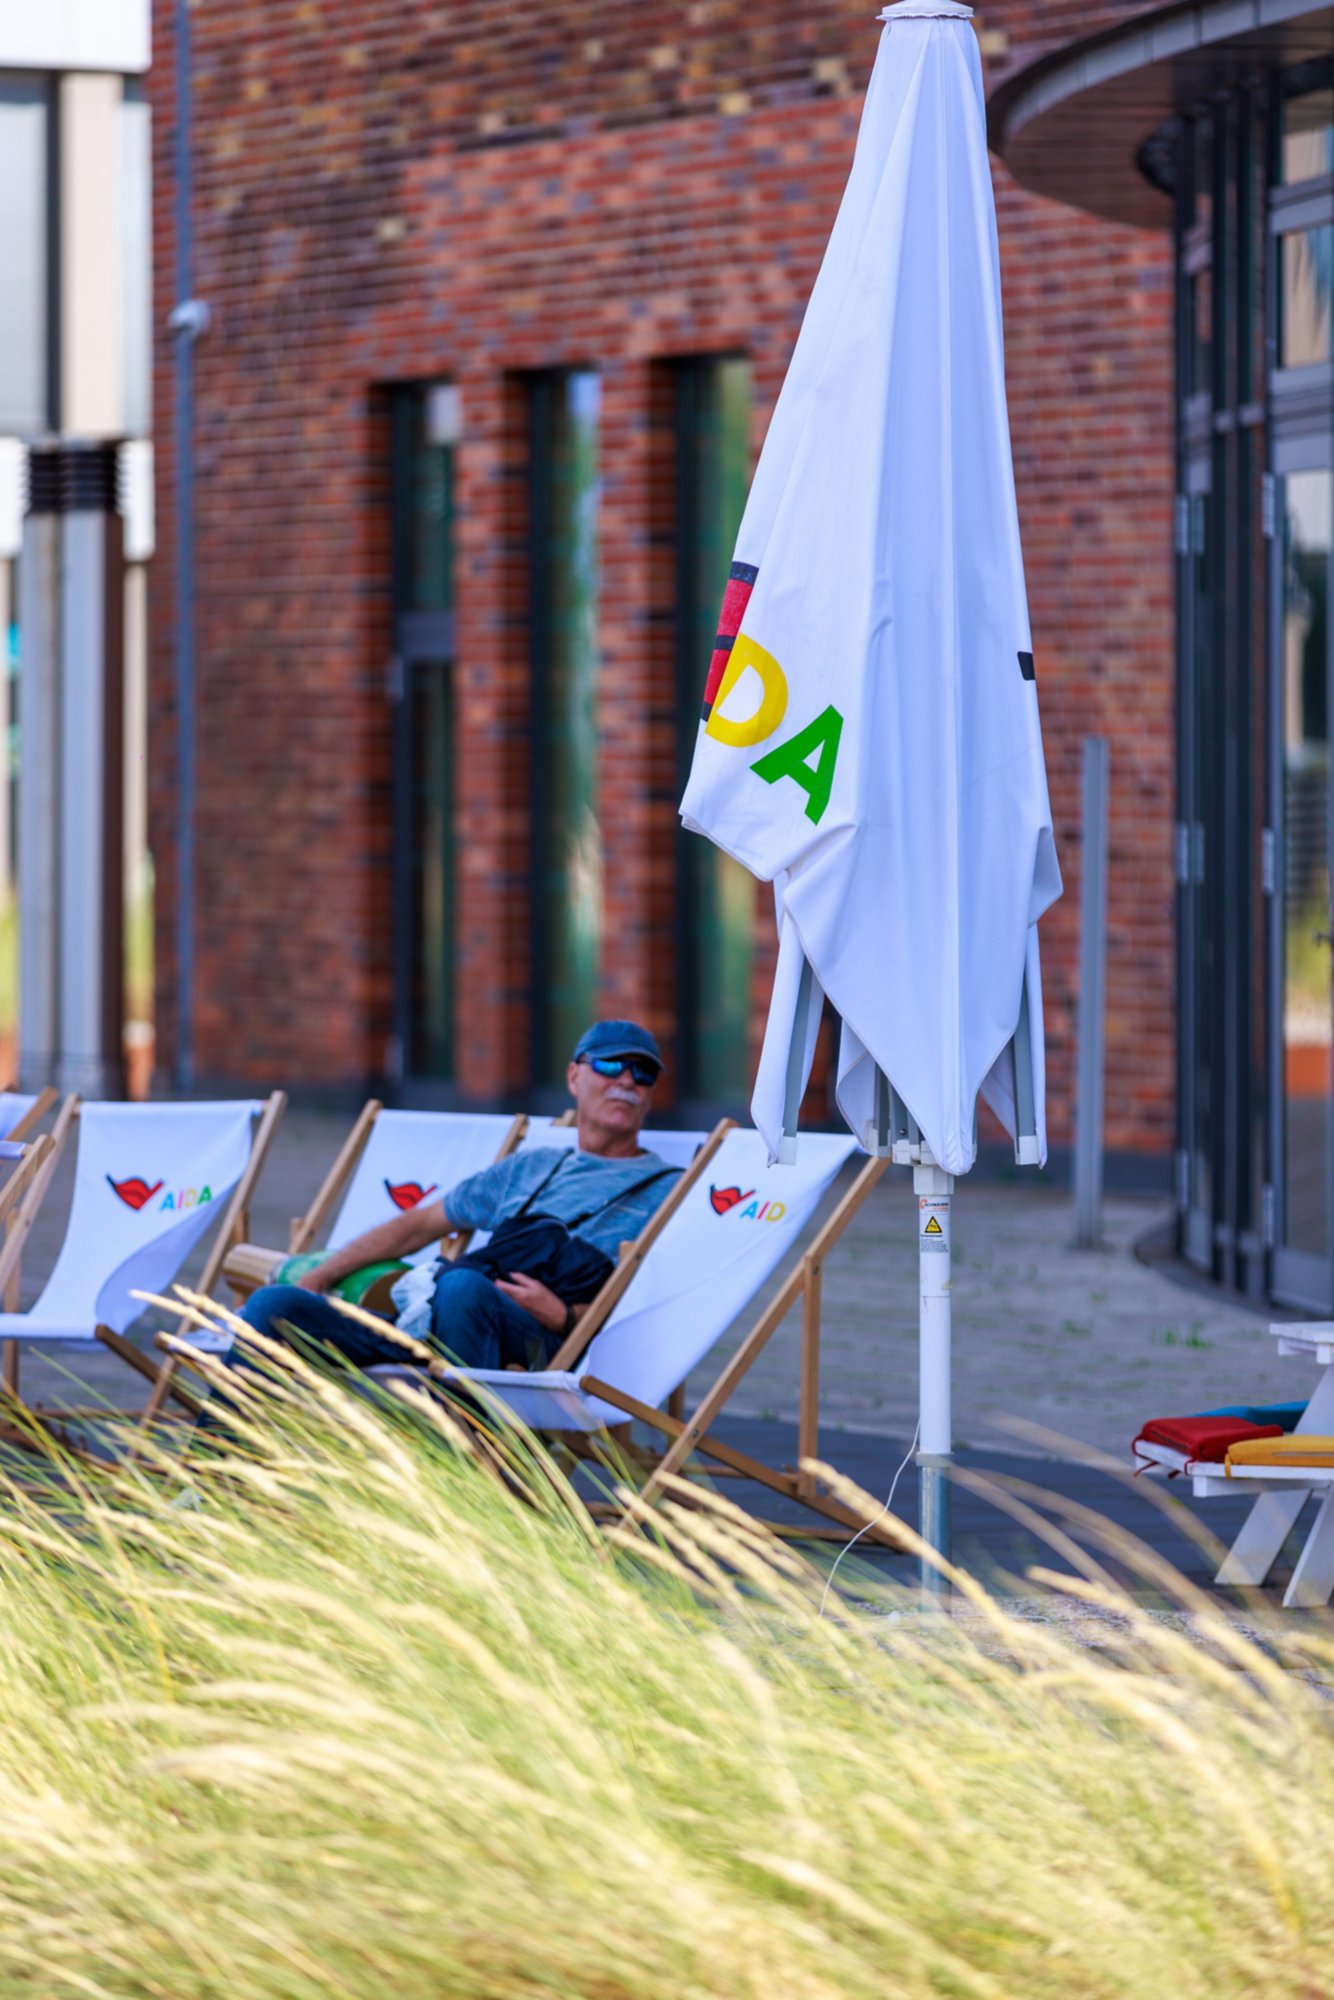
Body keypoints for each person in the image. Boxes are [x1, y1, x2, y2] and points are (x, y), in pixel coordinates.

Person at [224, 1021, 679, 1386]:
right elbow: (419, 1226)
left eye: (643, 1074)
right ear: (574, 1076)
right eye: (611, 1065)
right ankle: (213, 1479)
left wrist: (562, 1315)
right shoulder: (531, 1166)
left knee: (463, 1288)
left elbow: (662, 1307)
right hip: (433, 1327)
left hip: (547, 1346)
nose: (626, 1080)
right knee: (273, 1304)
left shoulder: (670, 1190)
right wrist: (320, 1275)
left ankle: (454, 1473)